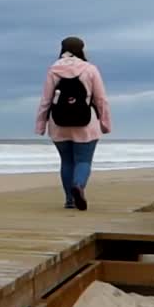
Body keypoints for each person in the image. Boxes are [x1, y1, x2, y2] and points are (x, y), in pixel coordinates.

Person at [34, 36, 112, 211]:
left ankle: (69, 200)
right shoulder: (90, 69)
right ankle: (78, 185)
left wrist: (40, 125)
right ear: (82, 49)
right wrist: (105, 124)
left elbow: (46, 100)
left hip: (58, 123)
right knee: (83, 160)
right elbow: (101, 99)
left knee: (67, 161)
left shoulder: (53, 69)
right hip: (86, 123)